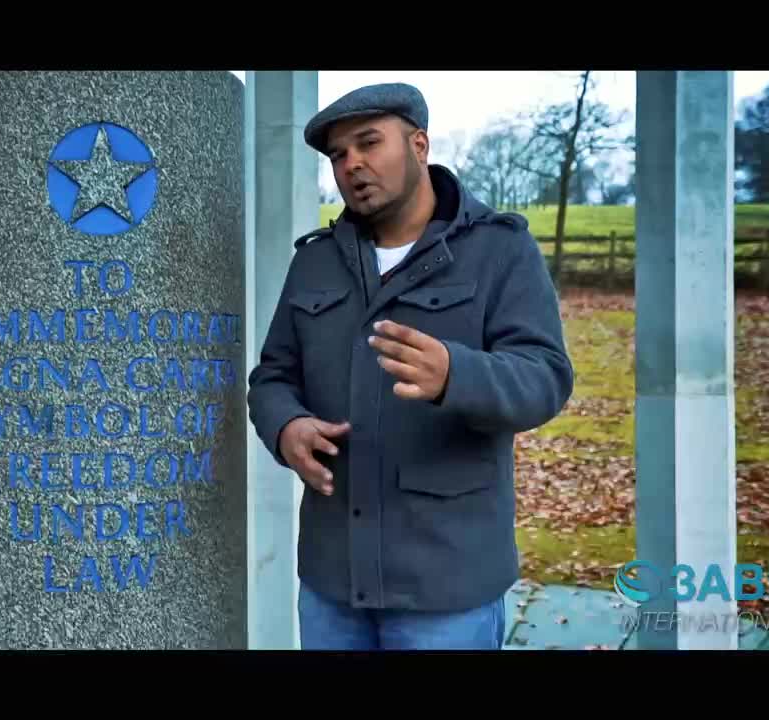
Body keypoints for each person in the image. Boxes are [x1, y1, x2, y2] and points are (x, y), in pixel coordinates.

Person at [246, 82, 574, 650]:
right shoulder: (316, 263)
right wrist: (286, 426)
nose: (352, 165)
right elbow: (273, 376)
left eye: (369, 143)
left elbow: (544, 378)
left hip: (447, 588)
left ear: (419, 145)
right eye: (339, 155)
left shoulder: (499, 251)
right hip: (332, 584)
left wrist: (456, 375)